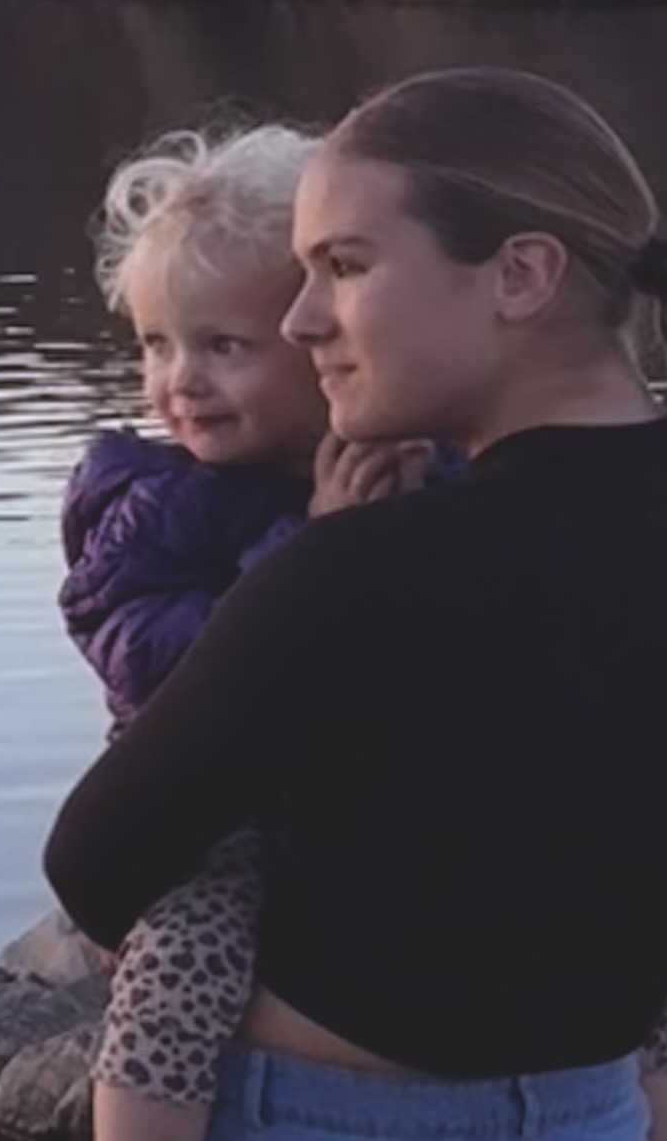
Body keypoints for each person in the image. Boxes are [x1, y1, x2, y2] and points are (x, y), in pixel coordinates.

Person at [47, 65, 667, 1141]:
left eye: (344, 265)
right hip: (598, 1104)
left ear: (520, 274)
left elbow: (94, 863)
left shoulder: (359, 570)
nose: (300, 320)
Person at [56, 120, 434, 1141]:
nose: (179, 378)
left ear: (324, 338)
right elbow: (156, 665)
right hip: (212, 804)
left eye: (223, 345)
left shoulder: (413, 455)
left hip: (378, 795)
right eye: (155, 343)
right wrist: (313, 548)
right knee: (183, 959)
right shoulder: (149, 501)